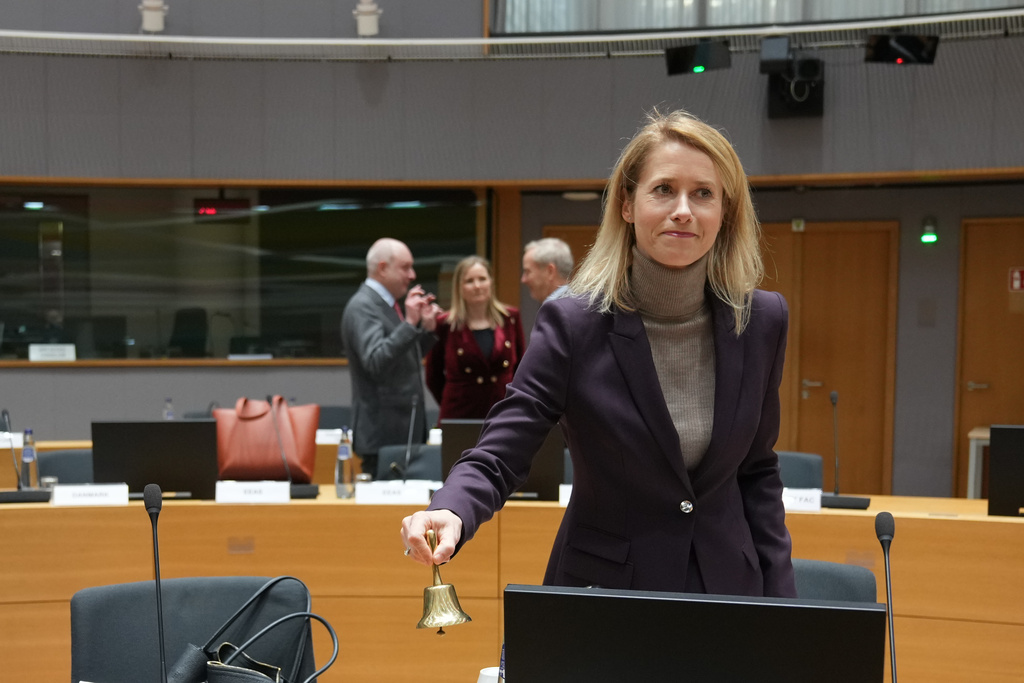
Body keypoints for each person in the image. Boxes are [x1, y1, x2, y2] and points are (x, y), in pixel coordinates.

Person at [402, 109, 796, 598]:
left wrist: (784, 605)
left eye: (703, 193)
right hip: (606, 592)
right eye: (663, 189)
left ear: (725, 212)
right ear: (627, 205)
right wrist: (451, 507)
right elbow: (504, 448)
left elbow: (757, 471)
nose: (683, 209)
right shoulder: (574, 322)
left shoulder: (762, 321)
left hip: (726, 591)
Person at [341, 238, 442, 477]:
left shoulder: (387, 305)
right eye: (405, 267)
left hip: (402, 434)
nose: (412, 274)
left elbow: (402, 360)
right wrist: (409, 324)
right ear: (383, 268)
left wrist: (425, 329)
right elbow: (376, 361)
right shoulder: (363, 306)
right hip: (383, 437)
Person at [425, 256, 525, 423]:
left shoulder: (510, 318)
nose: (477, 286)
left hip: (502, 413)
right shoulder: (445, 324)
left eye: (482, 279)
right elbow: (433, 376)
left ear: (491, 282)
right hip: (459, 415)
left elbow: (521, 369)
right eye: (469, 281)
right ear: (459, 287)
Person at [521, 237, 573, 303]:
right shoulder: (575, 304)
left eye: (528, 272)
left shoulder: (555, 310)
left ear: (550, 271)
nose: (523, 280)